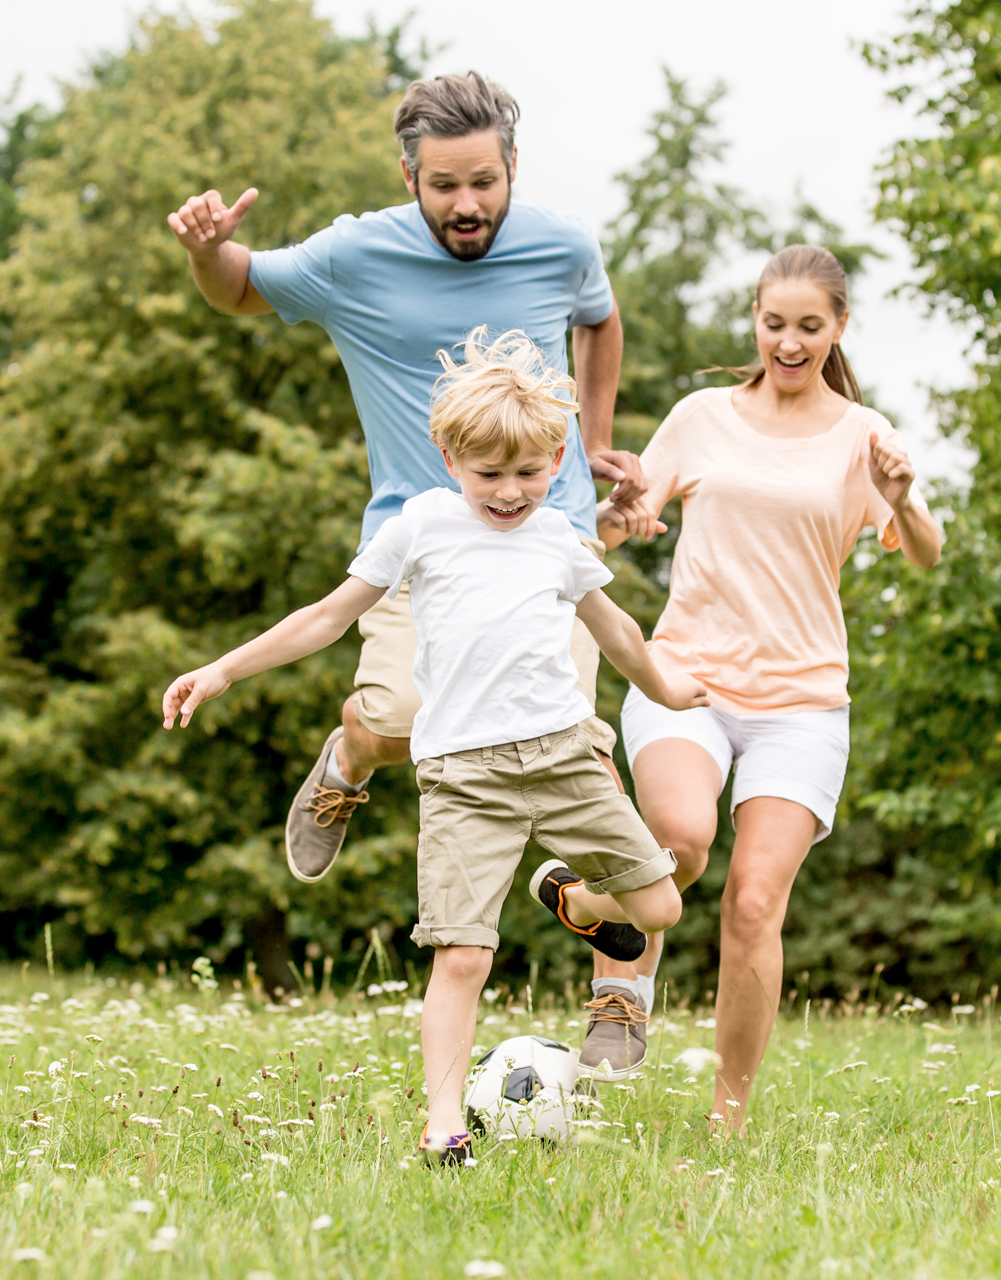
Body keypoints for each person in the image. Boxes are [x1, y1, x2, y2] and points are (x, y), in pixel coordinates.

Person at [159, 330, 706, 1163]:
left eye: (529, 474)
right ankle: (443, 1123)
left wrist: (671, 690)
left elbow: (619, 631)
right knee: (461, 956)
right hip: (464, 780)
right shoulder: (422, 527)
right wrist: (225, 669)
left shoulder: (560, 538)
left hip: (562, 761)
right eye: (489, 474)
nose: (510, 492)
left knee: (660, 906)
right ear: (448, 456)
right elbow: (328, 616)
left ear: (557, 458)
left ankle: (571, 897)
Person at [165, 72, 641, 886]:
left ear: (514, 167)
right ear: (408, 176)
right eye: (445, 184)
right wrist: (208, 251)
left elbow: (597, 316)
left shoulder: (563, 245)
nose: (466, 204)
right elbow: (238, 288)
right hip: (417, 547)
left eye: (484, 182)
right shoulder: (355, 256)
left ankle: (619, 999)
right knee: (400, 722)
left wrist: (592, 440)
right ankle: (350, 753)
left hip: (548, 535)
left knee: (581, 752)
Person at [570, 245, 942, 1132]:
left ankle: (727, 1116)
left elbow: (925, 554)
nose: (788, 342)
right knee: (680, 842)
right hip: (686, 674)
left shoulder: (863, 437)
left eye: (809, 326)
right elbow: (614, 529)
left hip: (804, 703)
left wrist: (905, 496)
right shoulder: (703, 417)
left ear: (838, 328)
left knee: (753, 901)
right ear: (756, 322)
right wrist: (617, 522)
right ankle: (615, 968)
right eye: (774, 324)